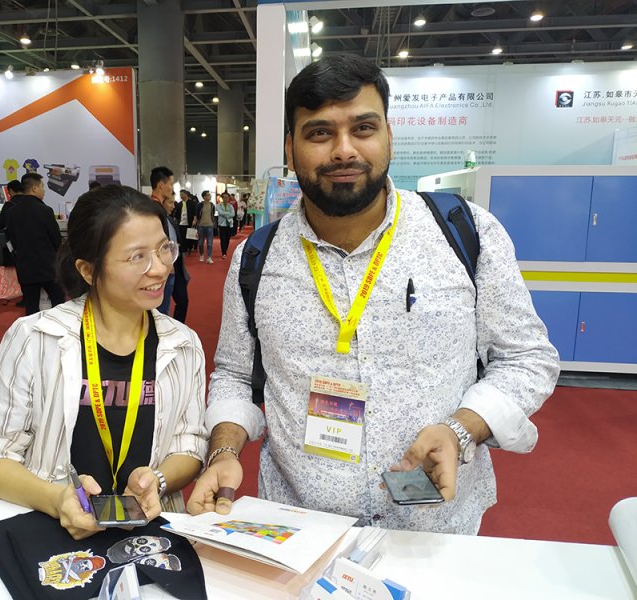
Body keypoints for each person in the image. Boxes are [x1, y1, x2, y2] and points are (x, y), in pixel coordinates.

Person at [187, 55, 560, 535]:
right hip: (299, 527)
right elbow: (236, 375)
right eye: (320, 133)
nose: (344, 150)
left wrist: (461, 429)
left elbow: (527, 358)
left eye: (363, 128)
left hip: (434, 527)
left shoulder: (465, 233)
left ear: (389, 136)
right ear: (291, 148)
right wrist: (224, 450)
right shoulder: (256, 258)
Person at [0, 185, 208, 540]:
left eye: (163, 249)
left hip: (153, 537)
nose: (160, 269)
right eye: (137, 257)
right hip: (54, 536)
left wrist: (157, 480)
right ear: (88, 270)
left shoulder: (183, 344)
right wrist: (56, 500)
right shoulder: (36, 338)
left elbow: (190, 443)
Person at [6, 172, 65, 315]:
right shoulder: (45, 210)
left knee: (31, 307)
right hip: (47, 266)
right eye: (42, 186)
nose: (44, 190)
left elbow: (11, 239)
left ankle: (33, 330)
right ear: (34, 188)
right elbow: (56, 239)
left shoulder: (12, 212)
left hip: (25, 266)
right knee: (59, 303)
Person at [149, 166, 177, 316]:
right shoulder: (155, 208)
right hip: (162, 266)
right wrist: (167, 263)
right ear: (161, 185)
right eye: (171, 184)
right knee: (161, 310)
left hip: (162, 264)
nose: (172, 188)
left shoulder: (152, 206)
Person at [161, 192, 190, 323]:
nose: (173, 206)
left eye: (173, 202)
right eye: (170, 202)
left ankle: (178, 326)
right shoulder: (157, 221)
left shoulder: (171, 219)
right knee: (163, 306)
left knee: (183, 301)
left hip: (177, 265)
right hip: (166, 268)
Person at [194, 190, 216, 264]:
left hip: (209, 225)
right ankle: (201, 255)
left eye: (210, 195)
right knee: (200, 242)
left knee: (210, 243)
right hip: (201, 225)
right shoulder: (199, 205)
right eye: (208, 195)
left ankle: (209, 257)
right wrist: (195, 221)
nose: (210, 196)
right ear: (204, 197)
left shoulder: (212, 205)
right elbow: (196, 214)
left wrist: (213, 222)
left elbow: (212, 214)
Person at [173, 190, 198, 255]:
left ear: (186, 195)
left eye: (182, 194)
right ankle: (184, 249)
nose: (181, 196)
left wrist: (194, 220)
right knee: (182, 236)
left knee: (189, 236)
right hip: (181, 223)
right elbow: (177, 214)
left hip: (189, 222)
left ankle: (190, 247)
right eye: (180, 195)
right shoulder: (179, 204)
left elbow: (195, 213)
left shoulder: (192, 203)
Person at [216, 194, 235, 260]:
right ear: (222, 198)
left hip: (229, 224)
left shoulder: (230, 206)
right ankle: (224, 252)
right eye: (224, 198)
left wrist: (225, 214)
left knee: (227, 238)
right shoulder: (218, 206)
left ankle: (225, 250)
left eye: (227, 198)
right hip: (222, 224)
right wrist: (228, 213)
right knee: (223, 239)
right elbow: (220, 213)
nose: (226, 199)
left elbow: (233, 214)